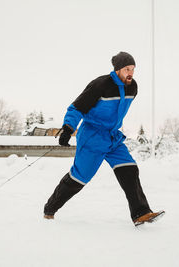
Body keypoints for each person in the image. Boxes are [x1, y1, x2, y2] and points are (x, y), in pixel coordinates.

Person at [44, 52, 164, 225]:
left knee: (129, 169)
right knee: (80, 177)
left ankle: (141, 213)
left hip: (113, 136)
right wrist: (68, 129)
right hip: (92, 136)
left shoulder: (132, 87)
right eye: (126, 69)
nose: (130, 73)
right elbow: (76, 108)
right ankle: (50, 209)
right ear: (117, 70)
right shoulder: (100, 85)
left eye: (133, 69)